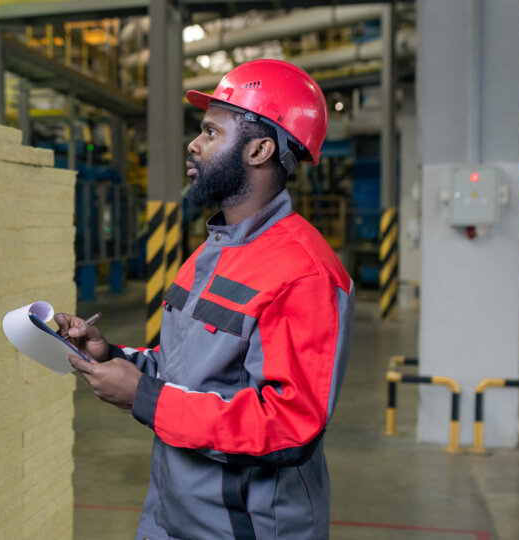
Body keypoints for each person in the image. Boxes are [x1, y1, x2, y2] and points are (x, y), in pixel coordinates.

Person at [56, 59, 354, 539]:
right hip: (171, 515)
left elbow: (289, 425)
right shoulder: (208, 255)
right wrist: (111, 354)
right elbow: (187, 370)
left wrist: (145, 399)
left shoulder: (305, 272)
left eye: (211, 133)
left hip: (244, 529)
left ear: (258, 149)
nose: (193, 145)